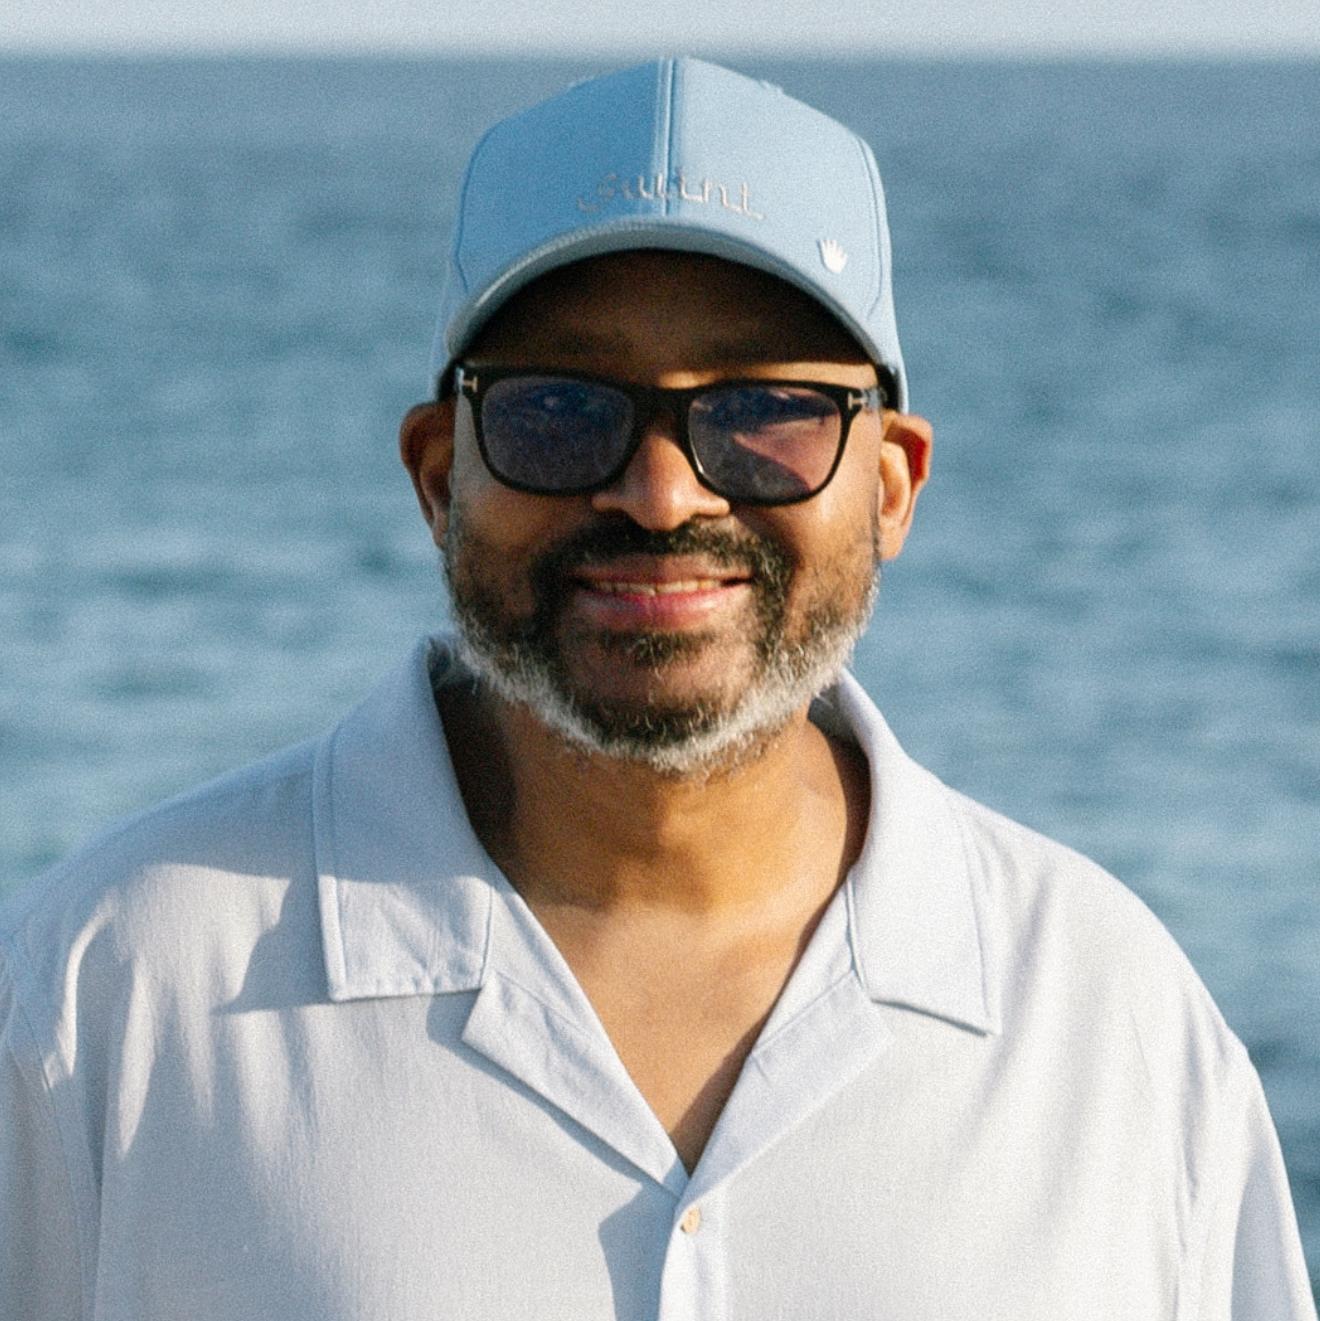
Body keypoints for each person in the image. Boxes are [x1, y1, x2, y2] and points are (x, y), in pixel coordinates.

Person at [1, 57, 1314, 1321]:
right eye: (560, 411)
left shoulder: (1110, 1025)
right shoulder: (113, 991)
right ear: (439, 475)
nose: (663, 491)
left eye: (766, 412)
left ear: (892, 483)